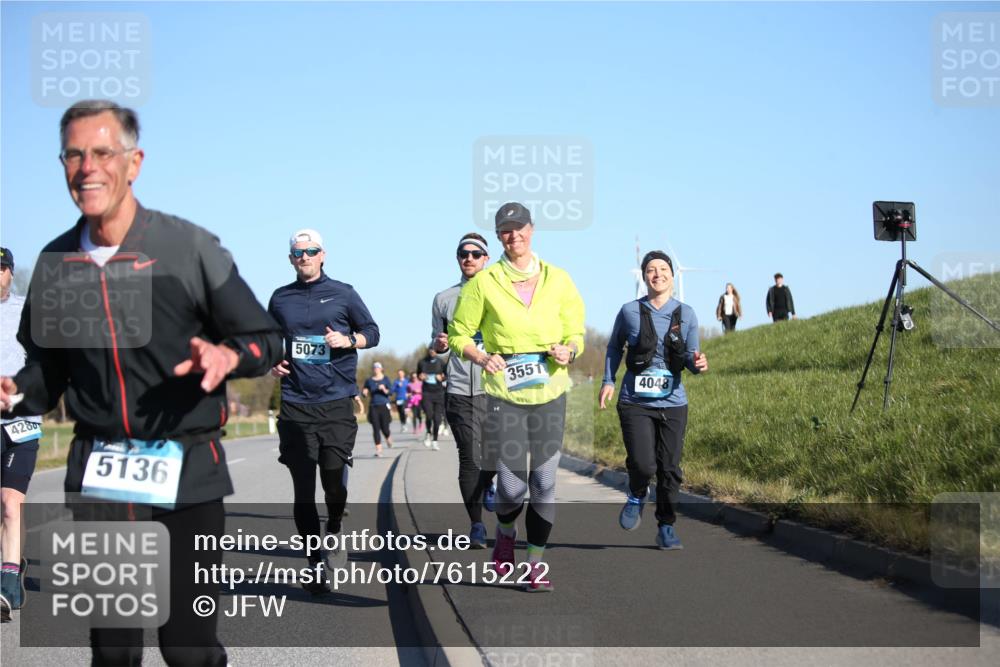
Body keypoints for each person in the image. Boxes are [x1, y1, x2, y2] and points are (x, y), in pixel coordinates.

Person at [0, 100, 282, 665]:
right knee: (114, 652)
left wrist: (228, 355)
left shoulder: (187, 248)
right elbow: (49, 369)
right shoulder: (54, 263)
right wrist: (17, 392)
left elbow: (266, 340)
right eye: (74, 155)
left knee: (187, 649)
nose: (87, 168)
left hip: (188, 469)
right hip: (102, 473)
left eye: (103, 153)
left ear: (134, 162)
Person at [450, 202, 585, 592]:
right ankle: (506, 530)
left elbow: (576, 331)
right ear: (499, 237)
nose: (515, 235)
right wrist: (480, 356)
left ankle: (535, 565)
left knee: (543, 482)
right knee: (511, 488)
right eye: (506, 230)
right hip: (504, 394)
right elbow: (459, 334)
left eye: (520, 227)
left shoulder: (559, 279)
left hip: (550, 391)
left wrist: (569, 350)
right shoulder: (483, 283)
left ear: (532, 229)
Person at [268, 228, 379, 592]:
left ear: (323, 255)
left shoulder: (344, 293)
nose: (305, 257)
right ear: (291, 259)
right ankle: (314, 564)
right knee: (303, 490)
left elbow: (372, 332)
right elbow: (268, 340)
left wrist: (349, 339)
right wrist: (272, 361)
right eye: (299, 252)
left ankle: (334, 526)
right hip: (296, 404)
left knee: (333, 482)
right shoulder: (280, 298)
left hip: (335, 402)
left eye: (311, 251)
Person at [599, 250, 709, 550]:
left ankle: (666, 527)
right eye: (651, 270)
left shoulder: (687, 314)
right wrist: (608, 380)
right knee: (644, 464)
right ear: (644, 276)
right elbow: (614, 347)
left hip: (673, 403)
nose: (657, 274)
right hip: (635, 401)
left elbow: (691, 356)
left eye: (663, 269)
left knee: (669, 469)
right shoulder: (629, 311)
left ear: (672, 275)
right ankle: (637, 493)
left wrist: (698, 363)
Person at [431, 232, 497, 548]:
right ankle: (477, 525)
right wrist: (439, 344)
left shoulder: (502, 293)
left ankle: (489, 483)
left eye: (475, 253)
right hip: (459, 389)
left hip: (497, 388)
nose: (469, 258)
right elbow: (437, 344)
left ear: (486, 258)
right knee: (470, 457)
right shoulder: (444, 299)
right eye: (463, 253)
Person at [0, 247, 42, 623]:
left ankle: (8, 585)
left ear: (11, 272)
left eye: (1, 268)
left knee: (11, 503)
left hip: (22, 422)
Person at [417, 346, 447, 450]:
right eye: (431, 350)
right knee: (429, 415)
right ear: (428, 351)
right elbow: (418, 375)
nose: (432, 352)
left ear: (437, 351)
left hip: (439, 393)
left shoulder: (441, 362)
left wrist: (442, 378)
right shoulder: (422, 362)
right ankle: (428, 433)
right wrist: (420, 377)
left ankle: (435, 440)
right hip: (427, 393)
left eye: (434, 350)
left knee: (437, 419)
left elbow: (447, 375)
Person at [362, 362, 393, 457]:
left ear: (381, 369)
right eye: (374, 368)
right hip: (373, 406)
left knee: (385, 428)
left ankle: (388, 437)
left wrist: (384, 389)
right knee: (376, 428)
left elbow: (390, 392)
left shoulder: (386, 379)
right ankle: (379, 449)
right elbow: (364, 390)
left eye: (378, 367)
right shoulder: (369, 380)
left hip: (384, 405)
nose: (376, 369)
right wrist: (364, 392)